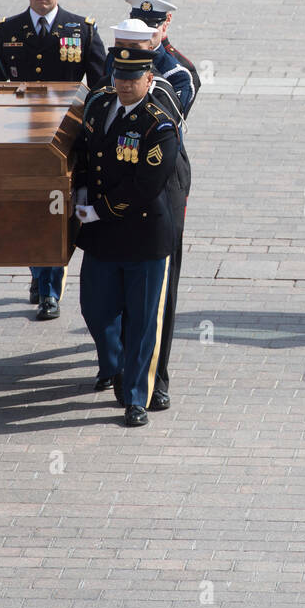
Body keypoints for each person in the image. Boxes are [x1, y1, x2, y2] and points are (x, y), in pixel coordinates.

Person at [0, 0, 107, 321]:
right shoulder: (7, 30)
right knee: (29, 210)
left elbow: (101, 87)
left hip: (66, 138)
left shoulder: (81, 29)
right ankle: (38, 272)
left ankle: (49, 289)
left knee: (56, 212)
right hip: (22, 135)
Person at [73, 46, 179, 427]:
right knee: (96, 309)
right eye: (120, 77)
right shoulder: (101, 108)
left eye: (134, 79)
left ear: (149, 80)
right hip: (102, 236)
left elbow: (145, 185)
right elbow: (85, 155)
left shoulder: (158, 125)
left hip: (143, 237)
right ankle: (115, 366)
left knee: (143, 320)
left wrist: (99, 209)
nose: (125, 85)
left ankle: (137, 396)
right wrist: (82, 193)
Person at [97, 20, 191, 412]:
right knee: (106, 301)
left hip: (160, 204)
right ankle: (122, 366)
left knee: (155, 305)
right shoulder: (108, 87)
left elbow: (161, 159)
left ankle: (156, 378)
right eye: (119, 47)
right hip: (116, 210)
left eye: (133, 47)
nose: (123, 55)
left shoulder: (168, 88)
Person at [126, 0, 199, 104]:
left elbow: (172, 117)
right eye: (138, 26)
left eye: (150, 28)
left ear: (165, 22)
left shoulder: (178, 71)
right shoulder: (115, 57)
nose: (143, 33)